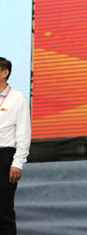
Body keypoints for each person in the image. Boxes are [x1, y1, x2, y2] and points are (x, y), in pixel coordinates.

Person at [0, 57, 31, 235]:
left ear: (5, 73)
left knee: (3, 209)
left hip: (4, 157)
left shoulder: (17, 98)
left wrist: (17, 163)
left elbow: (23, 134)